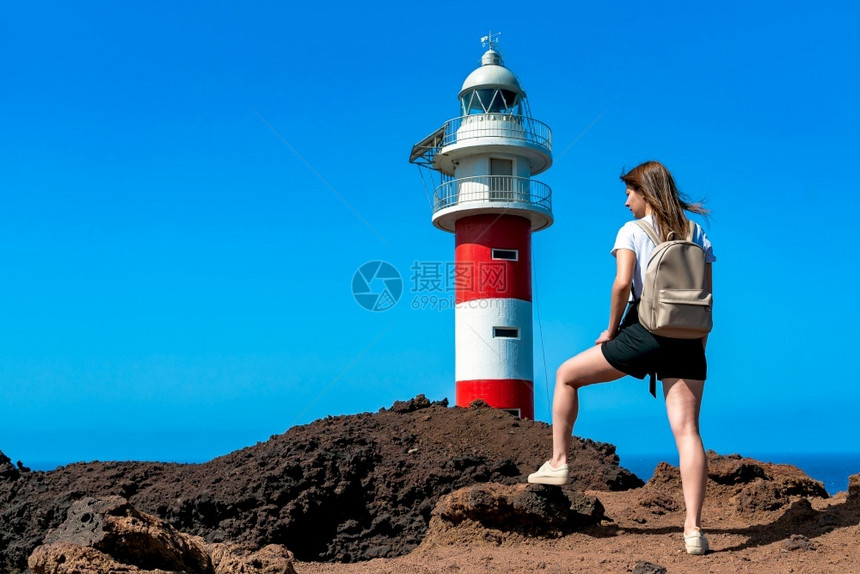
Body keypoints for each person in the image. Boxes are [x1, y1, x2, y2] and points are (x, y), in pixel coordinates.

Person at [527, 161, 715, 556]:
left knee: (566, 375)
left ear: (645, 192)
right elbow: (706, 300)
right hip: (689, 339)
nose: (625, 201)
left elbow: (623, 284)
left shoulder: (632, 231)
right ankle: (694, 529)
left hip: (645, 331)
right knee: (688, 432)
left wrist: (609, 333)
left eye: (629, 192)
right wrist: (699, 346)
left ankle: (559, 462)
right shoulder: (696, 233)